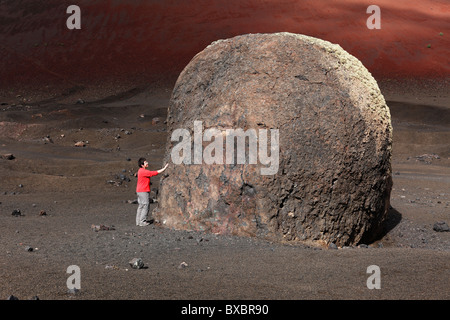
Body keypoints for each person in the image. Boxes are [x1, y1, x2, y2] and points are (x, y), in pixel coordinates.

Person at [136, 158, 168, 226]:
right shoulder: (143, 171)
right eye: (145, 162)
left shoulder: (140, 171)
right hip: (143, 191)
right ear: (142, 165)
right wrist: (164, 168)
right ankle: (142, 221)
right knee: (145, 205)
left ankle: (138, 221)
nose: (147, 163)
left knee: (141, 206)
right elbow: (153, 173)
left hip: (139, 190)